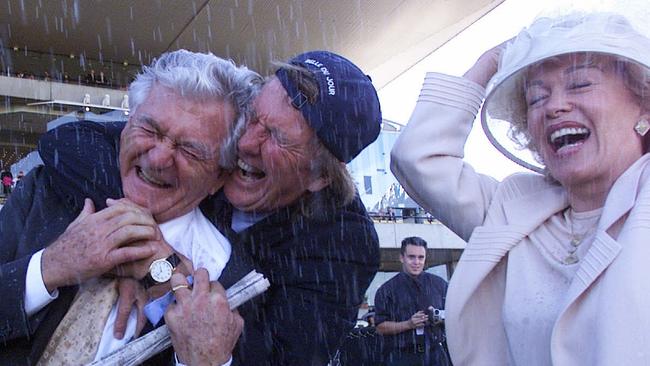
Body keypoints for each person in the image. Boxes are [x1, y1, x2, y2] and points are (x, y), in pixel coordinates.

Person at [40, 50, 382, 365]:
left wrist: (177, 289)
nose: (245, 144)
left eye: (278, 138)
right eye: (253, 117)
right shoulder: (210, 145)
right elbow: (70, 142)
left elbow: (282, 355)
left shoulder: (344, 246)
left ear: (320, 177)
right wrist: (142, 243)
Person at [391, 11, 650, 365]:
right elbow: (416, 157)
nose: (555, 106)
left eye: (580, 85)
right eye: (536, 98)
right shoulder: (512, 208)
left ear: (644, 104)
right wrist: (492, 61)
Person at [0, 49, 260, 365]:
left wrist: (206, 360)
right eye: (149, 130)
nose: (157, 159)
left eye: (190, 150)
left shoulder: (233, 279)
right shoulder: (47, 192)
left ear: (219, 176)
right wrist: (50, 266)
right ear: (125, 126)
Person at [374, 237, 449, 366]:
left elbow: (456, 315)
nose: (416, 262)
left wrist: (440, 316)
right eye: (411, 257)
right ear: (402, 258)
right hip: (402, 357)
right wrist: (408, 324)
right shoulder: (386, 290)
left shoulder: (440, 285)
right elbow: (380, 327)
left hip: (436, 354)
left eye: (421, 257)